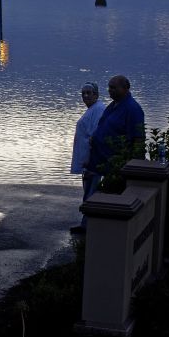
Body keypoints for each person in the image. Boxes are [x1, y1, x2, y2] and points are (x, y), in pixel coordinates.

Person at [78, 74, 145, 234]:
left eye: (114, 87)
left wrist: (135, 163)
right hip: (98, 158)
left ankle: (93, 229)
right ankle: (86, 225)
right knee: (90, 192)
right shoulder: (114, 105)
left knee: (102, 194)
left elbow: (138, 138)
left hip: (113, 162)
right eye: (109, 87)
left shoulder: (133, 109)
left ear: (125, 88)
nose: (110, 90)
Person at [70, 82, 106, 213]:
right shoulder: (93, 109)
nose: (85, 96)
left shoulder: (98, 110)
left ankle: (88, 225)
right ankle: (86, 223)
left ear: (96, 95)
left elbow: (95, 138)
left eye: (88, 93)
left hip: (91, 161)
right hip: (87, 160)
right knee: (88, 191)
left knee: (91, 193)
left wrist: (90, 162)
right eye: (83, 93)